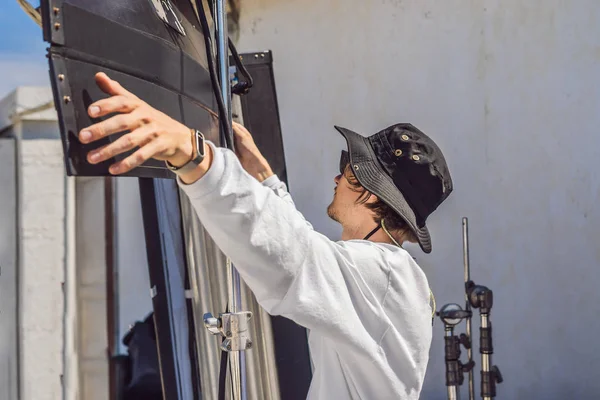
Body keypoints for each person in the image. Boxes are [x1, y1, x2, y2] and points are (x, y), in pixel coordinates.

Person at [80, 72, 453, 399]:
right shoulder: (384, 275)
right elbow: (306, 246)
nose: (337, 178)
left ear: (369, 191)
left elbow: (294, 255)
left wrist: (194, 156)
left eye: (348, 169)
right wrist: (265, 177)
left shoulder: (381, 273)